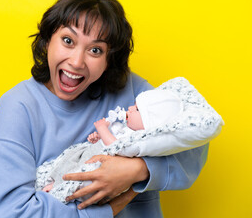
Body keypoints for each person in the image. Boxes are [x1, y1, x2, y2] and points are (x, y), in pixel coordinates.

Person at [0, 0, 211, 218]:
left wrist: (137, 170)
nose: (77, 61)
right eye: (68, 40)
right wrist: (109, 208)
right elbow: (14, 212)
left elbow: (194, 141)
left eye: (95, 50)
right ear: (47, 40)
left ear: (108, 59)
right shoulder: (18, 107)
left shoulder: (133, 92)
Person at [38, 79, 223, 203]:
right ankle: (53, 180)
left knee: (81, 176)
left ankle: (58, 188)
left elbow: (117, 146)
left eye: (136, 110)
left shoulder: (137, 139)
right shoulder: (22, 102)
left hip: (96, 166)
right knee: (70, 160)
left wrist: (138, 169)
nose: (130, 109)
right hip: (88, 152)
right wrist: (98, 136)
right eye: (68, 41)